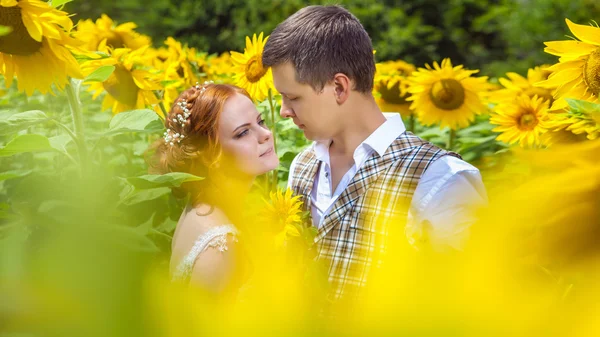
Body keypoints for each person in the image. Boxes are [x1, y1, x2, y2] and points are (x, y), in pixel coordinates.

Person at [262, 5, 488, 302]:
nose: (284, 111)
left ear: (340, 87)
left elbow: (471, 304)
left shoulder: (442, 180)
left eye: (293, 97)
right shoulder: (303, 166)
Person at [147, 82, 279, 292]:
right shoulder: (219, 246)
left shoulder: (201, 206)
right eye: (243, 132)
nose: (265, 134)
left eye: (260, 121)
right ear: (210, 155)